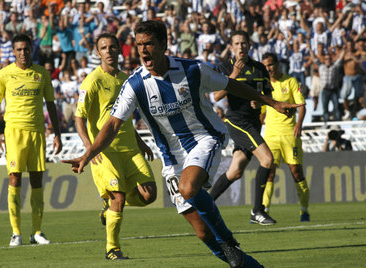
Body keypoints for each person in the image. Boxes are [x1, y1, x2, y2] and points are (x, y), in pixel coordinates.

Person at [62, 20, 301, 268]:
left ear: (164, 45)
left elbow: (231, 85)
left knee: (188, 188)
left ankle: (229, 241)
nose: (143, 50)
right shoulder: (134, 84)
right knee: (202, 233)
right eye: (139, 45)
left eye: (149, 44)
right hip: (171, 159)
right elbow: (112, 125)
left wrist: (273, 103)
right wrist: (87, 154)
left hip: (204, 139)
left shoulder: (193, 70)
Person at [74, 33, 157, 260]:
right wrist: (90, 148)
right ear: (97, 52)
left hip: (130, 148)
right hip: (105, 152)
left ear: (119, 50)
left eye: (112, 47)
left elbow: (127, 117)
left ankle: (110, 206)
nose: (109, 51)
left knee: (149, 195)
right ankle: (112, 249)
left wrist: (140, 142)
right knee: (118, 198)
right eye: (104, 48)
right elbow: (78, 118)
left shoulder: (127, 79)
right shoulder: (92, 81)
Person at [0, 34, 62, 246]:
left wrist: (57, 134)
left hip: (37, 133)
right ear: (13, 51)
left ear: (32, 49)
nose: (23, 53)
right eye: (19, 50)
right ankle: (16, 232)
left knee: (38, 181)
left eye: (26, 49)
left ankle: (37, 232)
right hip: (14, 133)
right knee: (14, 179)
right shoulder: (4, 74)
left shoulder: (42, 74)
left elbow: (51, 104)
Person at [209, 30, 277, 226]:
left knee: (235, 171)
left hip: (254, 121)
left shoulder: (259, 69)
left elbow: (266, 95)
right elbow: (216, 96)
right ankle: (258, 210)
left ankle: (205, 204)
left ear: (249, 46)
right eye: (236, 44)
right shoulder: (225, 67)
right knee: (267, 159)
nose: (240, 47)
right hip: (237, 121)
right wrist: (234, 75)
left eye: (243, 43)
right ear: (231, 47)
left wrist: (260, 103)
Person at [261, 52, 310, 222]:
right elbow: (261, 112)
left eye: (271, 65)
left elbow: (301, 105)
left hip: (290, 133)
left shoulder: (290, 81)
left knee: (296, 173)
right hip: (271, 135)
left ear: (277, 64)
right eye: (266, 66)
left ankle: (304, 210)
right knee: (269, 173)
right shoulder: (264, 85)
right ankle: (264, 209)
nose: (269, 69)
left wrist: (299, 124)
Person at [309, 45, 345, 122]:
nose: (328, 60)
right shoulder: (321, 66)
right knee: (325, 108)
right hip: (325, 90)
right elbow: (314, 58)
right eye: (326, 59)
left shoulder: (334, 66)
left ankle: (337, 123)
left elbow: (340, 58)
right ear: (324, 60)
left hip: (333, 90)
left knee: (336, 108)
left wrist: (344, 50)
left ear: (331, 59)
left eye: (329, 59)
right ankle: (326, 123)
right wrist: (310, 49)